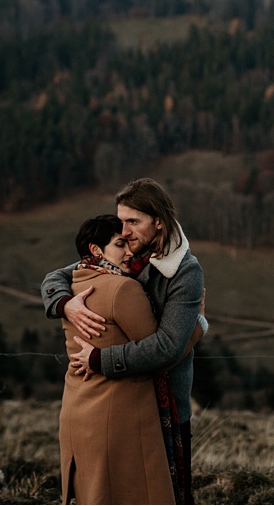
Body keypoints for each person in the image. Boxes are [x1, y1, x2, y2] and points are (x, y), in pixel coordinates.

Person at [43, 181, 205, 506]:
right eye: (122, 221)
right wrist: (65, 304)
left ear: (158, 220)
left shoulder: (184, 272)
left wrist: (101, 360)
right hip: (124, 406)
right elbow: (56, 277)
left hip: (166, 404)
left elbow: (167, 347)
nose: (125, 230)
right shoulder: (119, 255)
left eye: (133, 222)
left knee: (168, 493)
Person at [57, 216, 177, 504]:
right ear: (96, 251)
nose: (129, 252)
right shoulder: (122, 289)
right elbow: (161, 353)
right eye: (119, 244)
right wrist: (197, 324)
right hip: (119, 419)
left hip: (79, 411)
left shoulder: (74, 285)